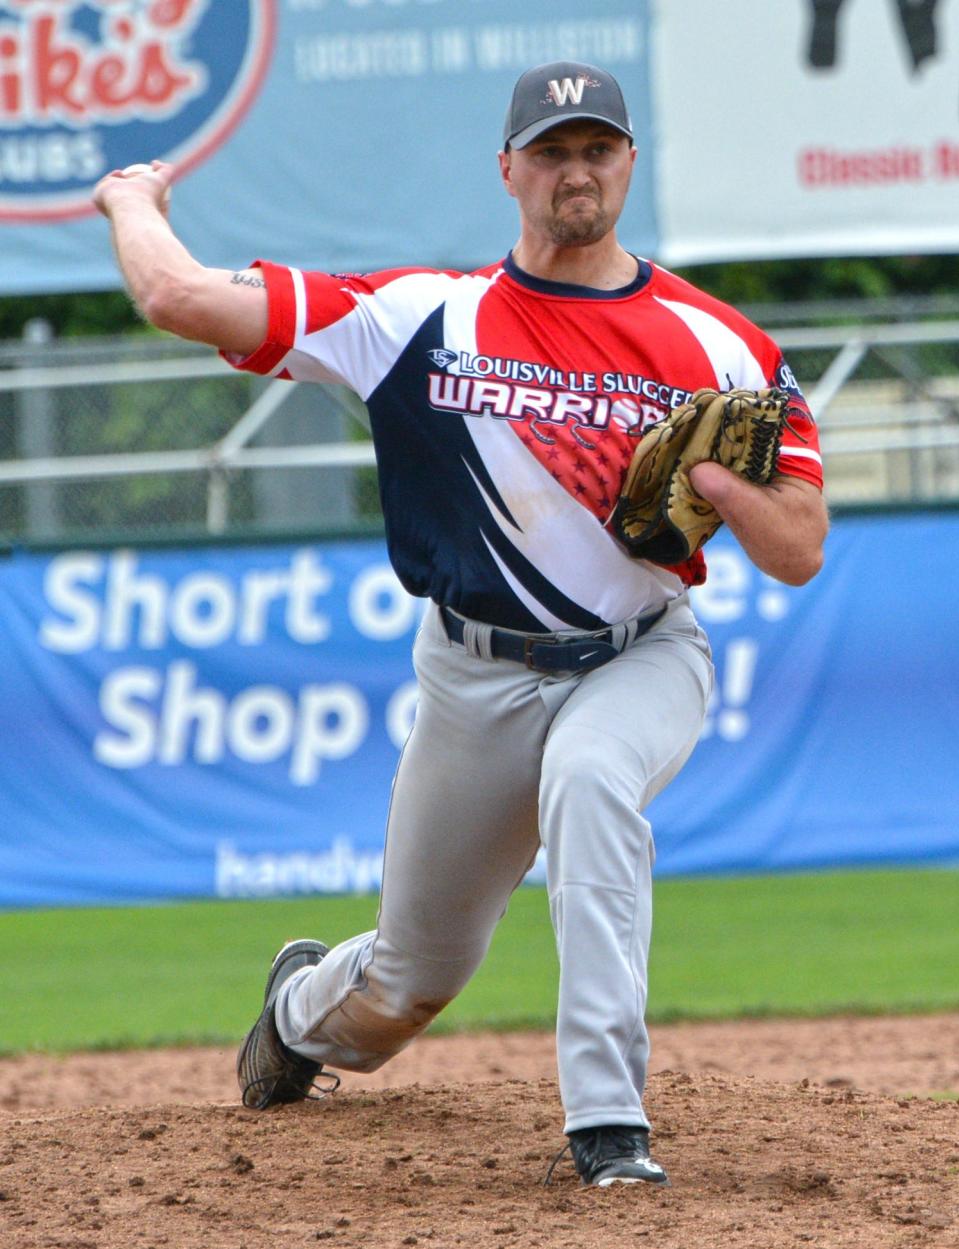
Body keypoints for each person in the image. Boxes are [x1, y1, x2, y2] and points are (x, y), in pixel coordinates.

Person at [93, 60, 827, 1188]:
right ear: (507, 169)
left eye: (595, 148)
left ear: (628, 162)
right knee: (406, 980)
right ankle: (299, 1016)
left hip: (642, 655)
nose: (574, 171)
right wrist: (132, 206)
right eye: (550, 150)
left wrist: (717, 489)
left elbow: (800, 548)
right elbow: (179, 301)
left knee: (591, 778)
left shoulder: (722, 348)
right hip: (474, 678)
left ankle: (606, 1121)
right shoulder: (417, 319)